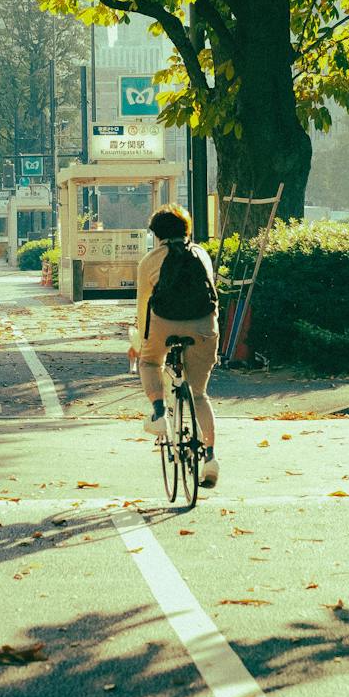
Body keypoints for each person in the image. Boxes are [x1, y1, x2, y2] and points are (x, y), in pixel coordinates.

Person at [127, 204, 221, 487]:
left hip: (164, 323)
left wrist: (140, 343)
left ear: (156, 234)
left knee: (150, 362)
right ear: (186, 230)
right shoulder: (201, 254)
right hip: (204, 325)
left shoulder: (149, 261)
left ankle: (158, 412)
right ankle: (211, 458)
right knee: (199, 393)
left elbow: (144, 305)